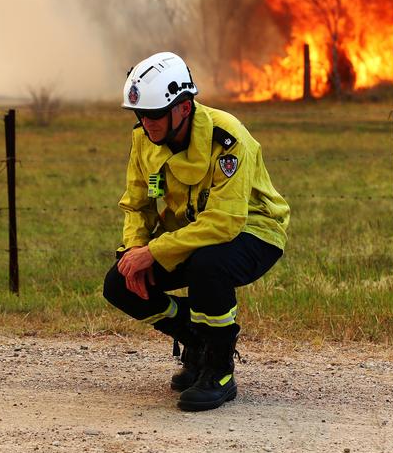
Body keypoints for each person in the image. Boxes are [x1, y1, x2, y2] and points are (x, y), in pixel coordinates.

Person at [103, 52, 290, 411]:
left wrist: (155, 252)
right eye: (140, 115)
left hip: (254, 231)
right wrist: (135, 248)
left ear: (184, 108)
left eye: (155, 114)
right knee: (119, 282)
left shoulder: (227, 139)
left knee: (209, 265)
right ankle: (199, 342)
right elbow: (138, 205)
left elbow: (225, 223)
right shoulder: (143, 139)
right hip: (189, 237)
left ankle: (219, 370)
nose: (147, 123)